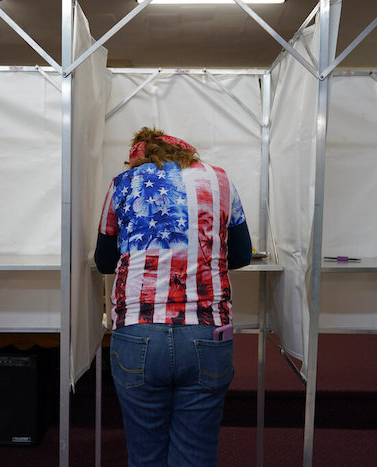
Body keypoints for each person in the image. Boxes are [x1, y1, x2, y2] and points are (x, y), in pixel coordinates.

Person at [94, 126, 252, 467]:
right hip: (206, 332)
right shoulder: (220, 180)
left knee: (145, 453)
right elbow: (242, 255)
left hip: (136, 332)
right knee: (196, 454)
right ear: (186, 153)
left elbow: (103, 261)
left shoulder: (123, 183)